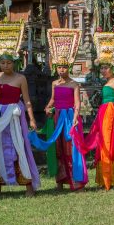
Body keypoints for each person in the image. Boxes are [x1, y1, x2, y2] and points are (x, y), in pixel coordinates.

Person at [0, 20, 40, 197]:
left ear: (15, 63)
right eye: (2, 63)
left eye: (9, 63)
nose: (5, 66)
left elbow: (27, 101)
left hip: (14, 117)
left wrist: (32, 119)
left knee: (19, 147)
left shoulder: (21, 79)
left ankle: (28, 185)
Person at [72, 31, 114, 190]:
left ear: (112, 68)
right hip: (104, 114)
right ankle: (106, 178)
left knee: (111, 144)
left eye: (106, 68)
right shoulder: (108, 82)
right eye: (102, 68)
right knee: (103, 144)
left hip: (113, 115)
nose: (104, 70)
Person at [29, 29, 87, 191]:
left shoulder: (74, 84)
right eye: (59, 67)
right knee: (58, 147)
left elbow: (77, 103)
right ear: (56, 68)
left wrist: (76, 117)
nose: (62, 70)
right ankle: (60, 181)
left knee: (71, 147)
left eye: (64, 67)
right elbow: (53, 99)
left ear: (68, 67)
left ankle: (76, 181)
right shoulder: (55, 83)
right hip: (57, 117)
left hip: (70, 117)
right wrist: (48, 107)